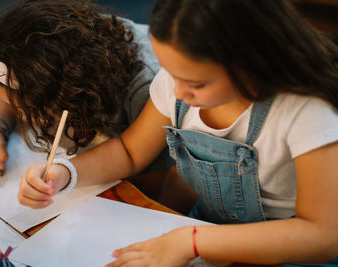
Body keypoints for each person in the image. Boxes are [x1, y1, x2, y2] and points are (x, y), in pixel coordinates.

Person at [18, 0, 338, 265]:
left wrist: (194, 241)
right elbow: (129, 152)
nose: (178, 91)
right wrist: (65, 172)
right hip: (200, 230)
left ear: (253, 63)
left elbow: (323, 237)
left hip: (287, 251)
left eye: (196, 83)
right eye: (170, 73)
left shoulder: (306, 113)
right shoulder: (174, 85)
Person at [0, 0, 170, 177]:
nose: (22, 118)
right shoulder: (63, 45)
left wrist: (65, 176)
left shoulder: (147, 89)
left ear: (62, 91)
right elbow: (6, 91)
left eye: (26, 109)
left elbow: (148, 173)